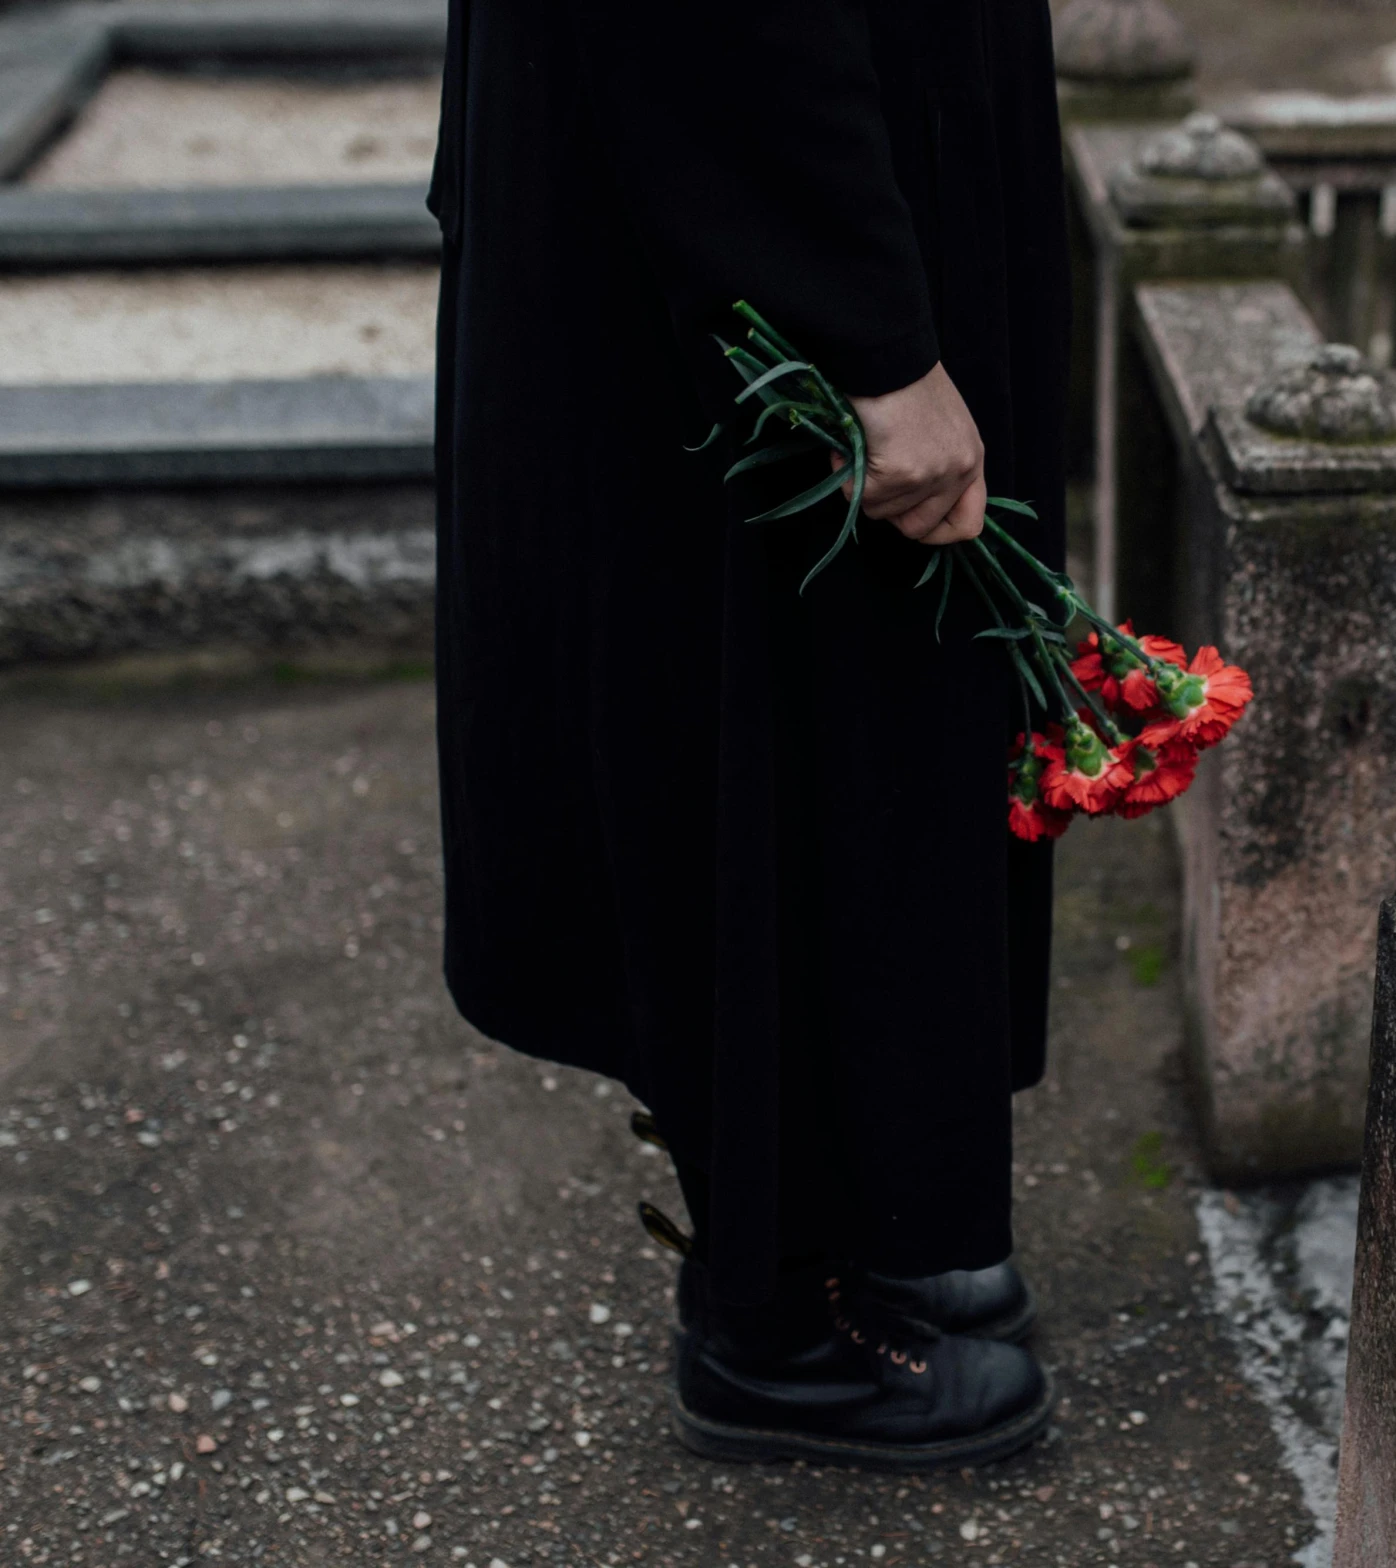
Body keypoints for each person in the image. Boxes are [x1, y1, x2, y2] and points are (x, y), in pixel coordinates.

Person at [426, 0, 1068, 1470]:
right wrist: (867, 334)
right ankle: (777, 1315)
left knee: (862, 718)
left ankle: (870, 1207)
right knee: (766, 720)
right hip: (737, 229)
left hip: (814, 159)